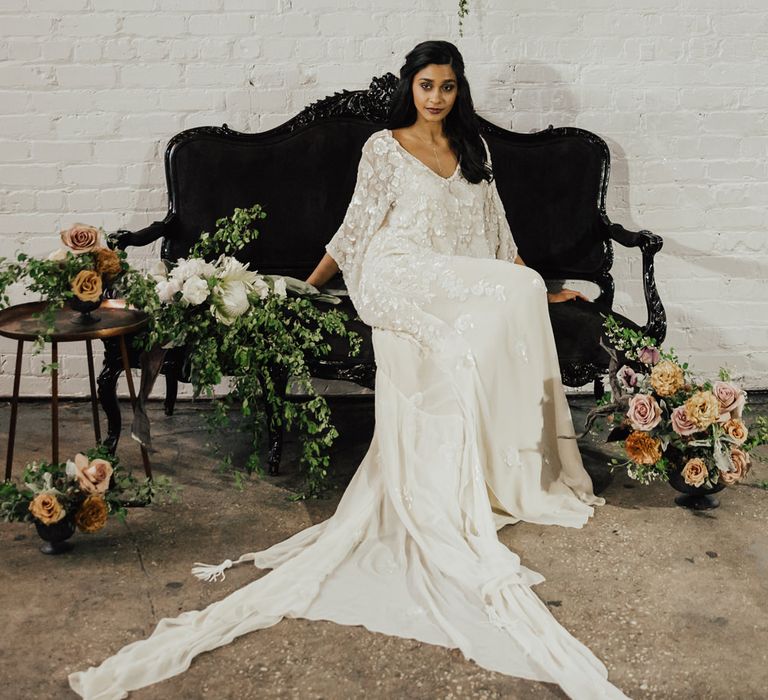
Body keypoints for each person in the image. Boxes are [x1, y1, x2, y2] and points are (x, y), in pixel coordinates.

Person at [69, 41, 628, 699]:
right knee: (502, 300)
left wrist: (534, 280)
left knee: (520, 293)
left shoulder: (475, 153)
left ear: (459, 90)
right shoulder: (383, 148)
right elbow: (355, 231)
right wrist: (308, 286)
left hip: (454, 274)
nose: (437, 98)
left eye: (448, 87)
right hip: (395, 272)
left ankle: (500, 465)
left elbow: (497, 231)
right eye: (426, 86)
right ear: (410, 87)